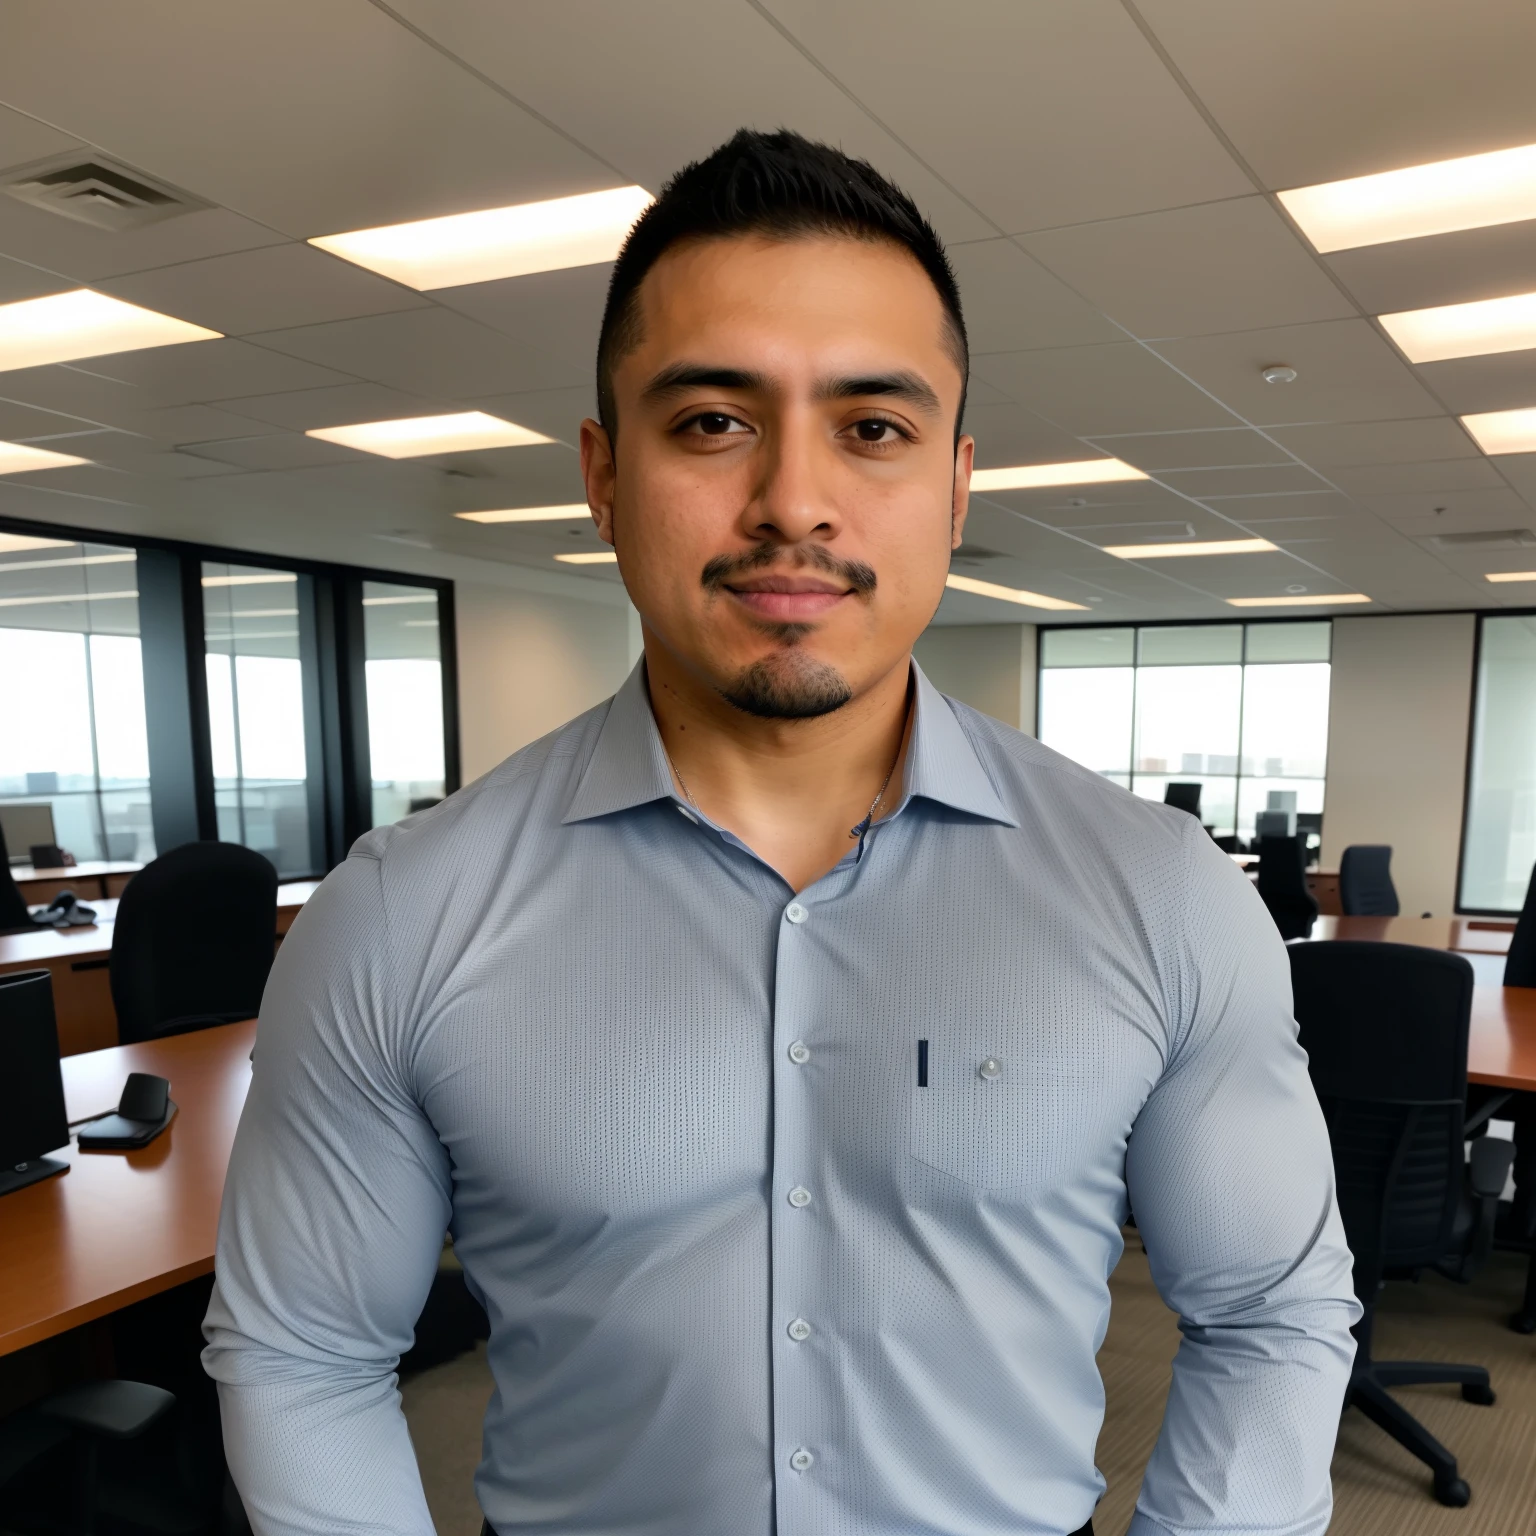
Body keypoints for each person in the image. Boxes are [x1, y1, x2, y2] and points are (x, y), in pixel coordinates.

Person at [204, 129, 1360, 1536]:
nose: (793, 502)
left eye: (873, 426)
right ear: (603, 474)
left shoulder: (1161, 896)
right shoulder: (403, 914)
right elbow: (306, 1349)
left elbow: (1271, 1317)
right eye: (711, 422)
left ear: (954, 482)